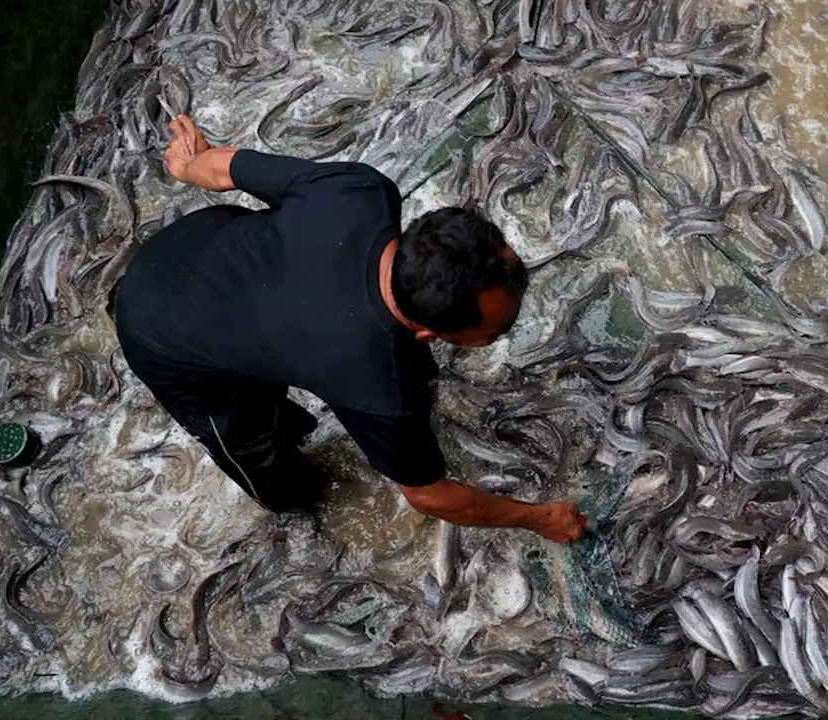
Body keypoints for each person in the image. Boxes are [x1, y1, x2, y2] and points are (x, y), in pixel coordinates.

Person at [111, 114, 587, 545]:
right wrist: (539, 518)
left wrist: (188, 165)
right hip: (160, 329)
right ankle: (283, 489)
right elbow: (431, 497)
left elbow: (223, 169)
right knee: (269, 463)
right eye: (495, 333)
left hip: (192, 249)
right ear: (428, 335)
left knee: (276, 367)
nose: (500, 336)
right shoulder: (377, 385)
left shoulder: (359, 192)